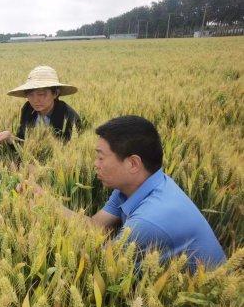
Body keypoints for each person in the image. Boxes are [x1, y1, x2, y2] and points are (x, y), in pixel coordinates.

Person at [62, 115, 226, 271]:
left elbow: (98, 266)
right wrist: (40, 196)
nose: (95, 164)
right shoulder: (135, 185)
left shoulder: (148, 221)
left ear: (133, 163)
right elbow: (95, 226)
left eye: (101, 157)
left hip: (208, 297)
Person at [0, 65, 81, 150]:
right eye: (30, 95)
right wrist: (10, 138)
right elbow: (23, 144)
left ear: (55, 93)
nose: (35, 100)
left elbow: (67, 151)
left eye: (41, 94)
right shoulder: (28, 109)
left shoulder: (69, 117)